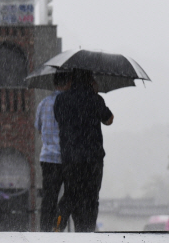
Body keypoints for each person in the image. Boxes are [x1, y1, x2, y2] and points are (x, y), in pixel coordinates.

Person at [53, 69, 114, 232]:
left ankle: (58, 225)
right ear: (90, 80)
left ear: (72, 79)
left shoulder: (61, 100)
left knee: (71, 195)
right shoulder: (95, 99)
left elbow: (59, 119)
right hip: (93, 158)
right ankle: (86, 230)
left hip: (70, 157)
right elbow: (109, 120)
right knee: (91, 197)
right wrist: (93, 95)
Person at [34, 72, 71, 231]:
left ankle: (44, 231)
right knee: (71, 194)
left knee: (49, 197)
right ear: (68, 83)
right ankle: (59, 223)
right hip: (67, 159)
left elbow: (38, 128)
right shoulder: (70, 103)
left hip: (48, 159)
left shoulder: (44, 103)